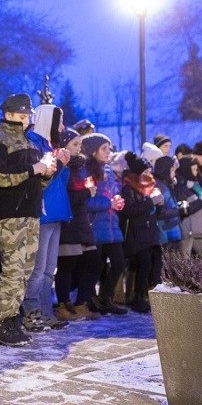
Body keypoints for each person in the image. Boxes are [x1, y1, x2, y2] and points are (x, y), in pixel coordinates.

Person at [0, 94, 56, 346]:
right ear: (9, 114)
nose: (26, 119)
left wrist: (47, 173)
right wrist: (31, 171)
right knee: (13, 271)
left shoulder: (27, 142)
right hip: (9, 214)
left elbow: (35, 181)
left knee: (25, 271)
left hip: (30, 211)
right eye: (22, 115)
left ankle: (13, 319)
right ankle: (1, 323)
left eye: (28, 115)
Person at [21, 104, 72, 330]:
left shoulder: (51, 145)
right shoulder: (33, 142)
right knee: (38, 269)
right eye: (58, 121)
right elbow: (44, 178)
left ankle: (45, 311)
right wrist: (60, 162)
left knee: (50, 269)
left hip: (56, 211)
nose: (61, 126)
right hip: (43, 211)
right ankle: (31, 312)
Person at [54, 128, 101, 321]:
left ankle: (81, 302)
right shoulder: (63, 167)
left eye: (80, 144)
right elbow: (66, 197)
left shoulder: (79, 167)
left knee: (93, 262)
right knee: (66, 265)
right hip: (68, 222)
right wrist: (86, 193)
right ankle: (63, 304)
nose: (79, 148)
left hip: (80, 221)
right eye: (75, 144)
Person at [84, 133, 129, 315]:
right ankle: (90, 300)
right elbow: (86, 201)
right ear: (93, 151)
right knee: (96, 266)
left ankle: (106, 297)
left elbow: (113, 191)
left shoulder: (109, 171)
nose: (108, 152)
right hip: (94, 226)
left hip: (111, 225)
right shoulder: (86, 171)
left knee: (118, 263)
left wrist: (117, 199)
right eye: (104, 148)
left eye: (108, 148)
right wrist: (108, 204)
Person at [119, 152, 164, 314]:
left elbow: (155, 213)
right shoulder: (128, 189)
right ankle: (138, 297)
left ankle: (149, 295)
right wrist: (150, 201)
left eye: (149, 172)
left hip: (151, 233)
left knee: (154, 263)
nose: (148, 175)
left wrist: (159, 205)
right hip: (136, 235)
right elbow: (130, 211)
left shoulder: (151, 187)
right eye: (145, 173)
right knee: (143, 265)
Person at [174, 157, 202, 257]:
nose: (195, 172)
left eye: (196, 169)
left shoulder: (195, 186)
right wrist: (201, 202)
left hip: (199, 230)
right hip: (188, 231)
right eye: (193, 169)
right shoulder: (181, 188)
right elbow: (184, 209)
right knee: (184, 262)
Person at [152, 157, 183, 251]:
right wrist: (179, 211)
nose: (174, 173)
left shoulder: (166, 184)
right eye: (172, 169)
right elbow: (160, 212)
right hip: (166, 234)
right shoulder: (159, 186)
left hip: (172, 232)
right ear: (165, 170)